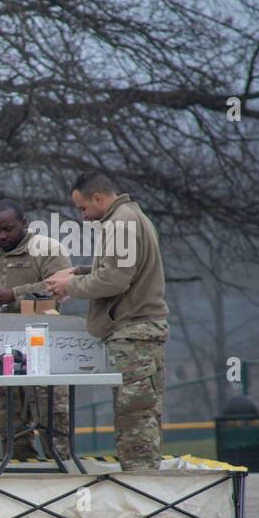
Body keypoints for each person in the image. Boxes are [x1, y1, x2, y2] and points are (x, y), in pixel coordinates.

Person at [45, 172, 168, 470]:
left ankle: (141, 485)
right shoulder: (130, 217)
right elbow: (121, 268)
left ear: (98, 198)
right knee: (139, 414)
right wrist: (79, 272)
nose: (83, 216)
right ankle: (143, 479)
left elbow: (115, 280)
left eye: (83, 208)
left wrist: (70, 286)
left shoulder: (121, 223)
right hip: (139, 333)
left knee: (134, 420)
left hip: (134, 334)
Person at [0, 199, 71, 461]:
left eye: (8, 229)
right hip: (4, 356)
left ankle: (62, 467)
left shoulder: (47, 251)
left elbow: (61, 288)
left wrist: (15, 295)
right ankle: (18, 465)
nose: (2, 236)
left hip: (43, 350)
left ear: (24, 223)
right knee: (9, 419)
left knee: (50, 415)